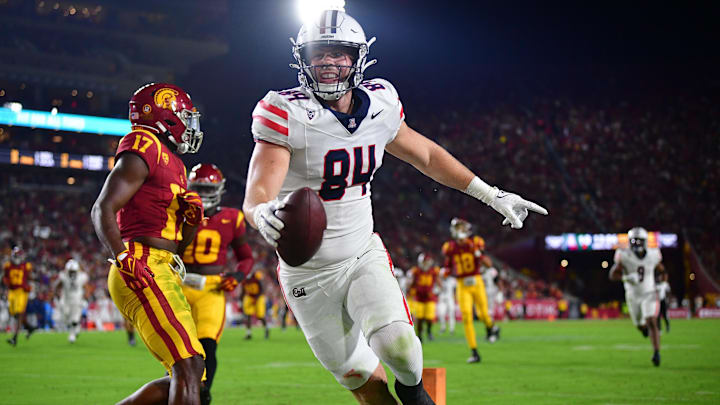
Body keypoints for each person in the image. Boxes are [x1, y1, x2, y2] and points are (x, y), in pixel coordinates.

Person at [243, 9, 547, 404]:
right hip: (307, 274)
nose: (328, 62)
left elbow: (427, 156)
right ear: (303, 58)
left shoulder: (381, 104)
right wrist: (262, 212)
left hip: (360, 253)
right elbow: (258, 192)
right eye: (319, 53)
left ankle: (417, 395)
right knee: (360, 379)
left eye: (339, 54)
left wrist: (492, 194)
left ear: (358, 59)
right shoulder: (285, 111)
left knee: (399, 346)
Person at [91, 83, 207, 404]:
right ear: (164, 115)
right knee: (187, 364)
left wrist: (192, 223)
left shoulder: (176, 164)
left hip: (163, 265)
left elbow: (177, 247)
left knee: (191, 369)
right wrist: (121, 256)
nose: (189, 123)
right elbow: (103, 207)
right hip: (141, 263)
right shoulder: (145, 142)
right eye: (183, 115)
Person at [180, 163, 253, 404]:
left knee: (207, 346)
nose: (202, 195)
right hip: (177, 283)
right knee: (177, 349)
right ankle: (178, 392)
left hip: (211, 288)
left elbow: (246, 258)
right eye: (198, 189)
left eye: (207, 189)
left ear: (219, 190)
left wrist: (237, 277)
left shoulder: (232, 218)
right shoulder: (177, 212)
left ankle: (203, 393)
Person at [441, 218, 500, 364]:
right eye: (458, 228)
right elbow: (448, 266)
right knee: (466, 317)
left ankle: (491, 327)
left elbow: (488, 264)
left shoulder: (475, 242)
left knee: (483, 314)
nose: (460, 230)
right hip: (461, 284)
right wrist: (446, 272)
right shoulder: (450, 247)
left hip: (477, 281)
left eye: (462, 227)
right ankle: (474, 351)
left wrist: (477, 252)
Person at [609, 227, 665, 367]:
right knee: (640, 325)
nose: (636, 243)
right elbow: (612, 275)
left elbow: (662, 271)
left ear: (646, 241)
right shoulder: (624, 255)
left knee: (651, 320)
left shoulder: (653, 255)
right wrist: (626, 277)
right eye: (634, 240)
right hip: (633, 295)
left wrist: (663, 283)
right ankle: (644, 329)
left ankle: (656, 353)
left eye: (639, 240)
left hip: (649, 292)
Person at [2, 247, 36, 346]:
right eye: (16, 255)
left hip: (22, 291)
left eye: (18, 255)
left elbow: (31, 277)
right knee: (13, 313)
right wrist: (5, 283)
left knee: (19, 313)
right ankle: (29, 327)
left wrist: (30, 286)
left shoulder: (26, 266)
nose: (17, 257)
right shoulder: (8, 266)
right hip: (12, 291)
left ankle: (14, 338)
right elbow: (4, 277)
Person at [54, 258, 90, 343]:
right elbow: (57, 286)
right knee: (66, 317)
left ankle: (72, 334)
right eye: (71, 271)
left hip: (77, 299)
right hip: (66, 299)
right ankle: (76, 328)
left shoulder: (81, 277)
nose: (72, 273)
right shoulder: (63, 276)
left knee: (74, 318)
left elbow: (86, 288)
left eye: (74, 271)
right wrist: (57, 296)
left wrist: (85, 298)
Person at [407, 253, 440, 343]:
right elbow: (410, 284)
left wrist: (438, 289)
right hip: (419, 298)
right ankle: (420, 335)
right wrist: (411, 290)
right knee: (420, 318)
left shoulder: (433, 271)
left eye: (427, 262)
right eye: (424, 262)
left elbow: (438, 282)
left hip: (430, 297)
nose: (426, 264)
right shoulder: (416, 271)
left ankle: (429, 331)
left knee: (430, 318)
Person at [240, 270, 269, 340]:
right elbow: (243, 291)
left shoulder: (256, 277)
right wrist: (240, 300)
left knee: (260, 315)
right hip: (249, 296)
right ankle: (248, 333)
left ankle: (266, 330)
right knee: (248, 315)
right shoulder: (243, 280)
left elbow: (261, 289)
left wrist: (255, 299)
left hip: (259, 296)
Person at [436, 266, 457, 334]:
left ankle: (452, 329)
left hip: (450, 299)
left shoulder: (452, 280)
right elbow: (436, 291)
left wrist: (455, 296)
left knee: (451, 314)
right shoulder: (438, 281)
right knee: (441, 314)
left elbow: (455, 289)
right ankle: (443, 327)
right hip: (442, 299)